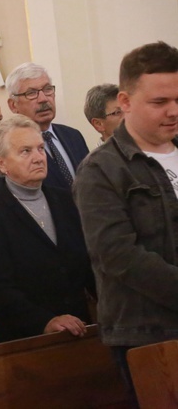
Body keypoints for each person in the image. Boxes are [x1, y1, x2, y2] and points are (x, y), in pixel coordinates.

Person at [73, 41, 178, 401]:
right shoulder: (101, 170)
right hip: (148, 331)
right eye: (159, 102)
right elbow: (116, 254)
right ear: (126, 101)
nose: (173, 111)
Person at [0, 115, 95, 343]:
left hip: (81, 328)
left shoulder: (66, 201)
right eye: (25, 151)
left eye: (40, 148)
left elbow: (89, 264)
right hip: (27, 337)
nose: (38, 157)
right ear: (1, 163)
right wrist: (45, 321)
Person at [0, 62, 89, 191]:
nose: (43, 99)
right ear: (13, 105)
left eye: (47, 90)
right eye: (31, 93)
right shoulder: (2, 145)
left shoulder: (73, 136)